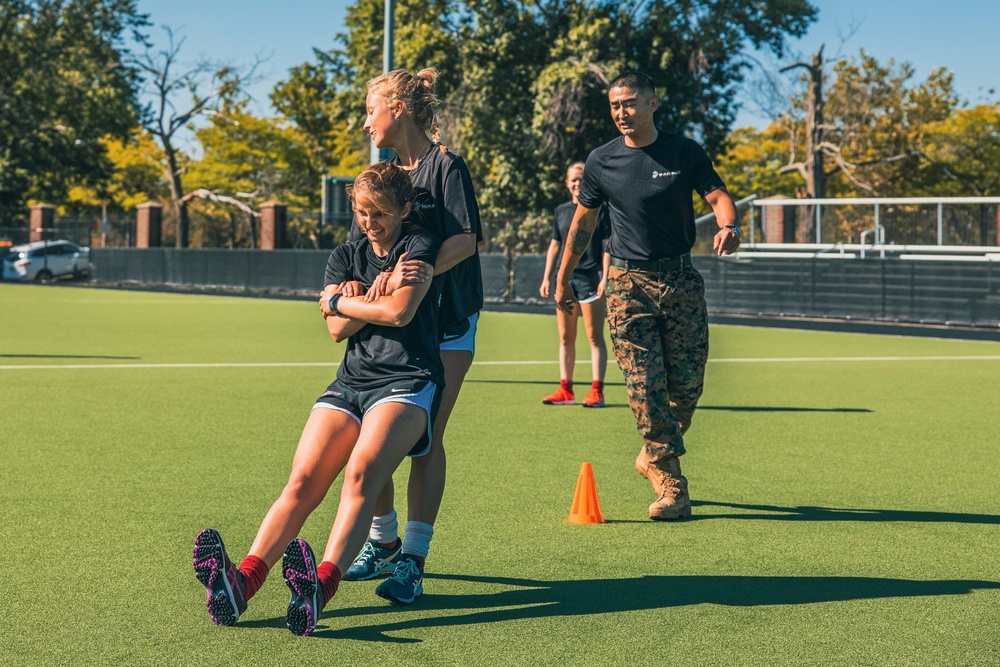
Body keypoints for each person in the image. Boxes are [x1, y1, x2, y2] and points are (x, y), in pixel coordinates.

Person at [192, 162, 444, 636]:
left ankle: (320, 587)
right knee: (304, 478)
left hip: (408, 380)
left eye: (382, 213)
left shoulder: (418, 245)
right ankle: (241, 583)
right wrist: (358, 299)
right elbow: (335, 330)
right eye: (363, 212)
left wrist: (342, 299)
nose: (371, 223)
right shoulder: (344, 254)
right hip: (351, 381)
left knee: (363, 472)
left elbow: (399, 310)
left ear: (405, 209)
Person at [554, 71, 741, 521]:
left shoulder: (683, 151)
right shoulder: (601, 161)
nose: (622, 112)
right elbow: (582, 225)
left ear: (653, 104)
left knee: (687, 388)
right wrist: (562, 278)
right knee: (644, 385)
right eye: (616, 105)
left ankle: (650, 454)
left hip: (680, 282)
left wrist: (729, 226)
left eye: (631, 103)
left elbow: (718, 197)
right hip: (626, 286)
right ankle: (670, 481)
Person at [339, 67, 484, 602]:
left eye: (371, 108)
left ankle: (414, 562)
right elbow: (359, 251)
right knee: (366, 436)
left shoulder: (446, 167)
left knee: (424, 439)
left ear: (397, 108)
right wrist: (351, 287)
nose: (366, 119)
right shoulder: (376, 175)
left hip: (446, 325)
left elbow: (466, 240)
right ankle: (383, 542)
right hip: (390, 331)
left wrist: (408, 269)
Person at [538, 162, 611, 408]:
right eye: (573, 179)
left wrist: (605, 277)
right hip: (566, 281)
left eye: (581, 178)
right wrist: (548, 277)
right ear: (567, 183)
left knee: (594, 337)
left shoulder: (600, 210)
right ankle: (566, 390)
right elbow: (555, 245)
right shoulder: (560, 211)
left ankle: (596, 392)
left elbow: (606, 247)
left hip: (591, 280)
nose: (577, 183)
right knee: (566, 337)